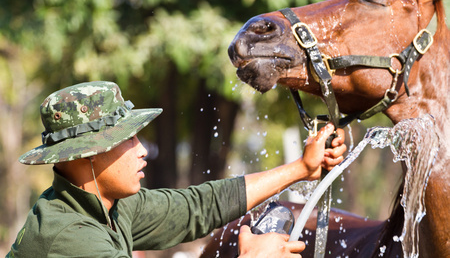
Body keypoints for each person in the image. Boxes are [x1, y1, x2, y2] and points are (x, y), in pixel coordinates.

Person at [7, 81, 346, 257]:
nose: (141, 150)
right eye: (127, 139)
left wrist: (302, 168)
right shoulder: (69, 241)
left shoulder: (104, 205)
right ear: (86, 156)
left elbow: (197, 207)